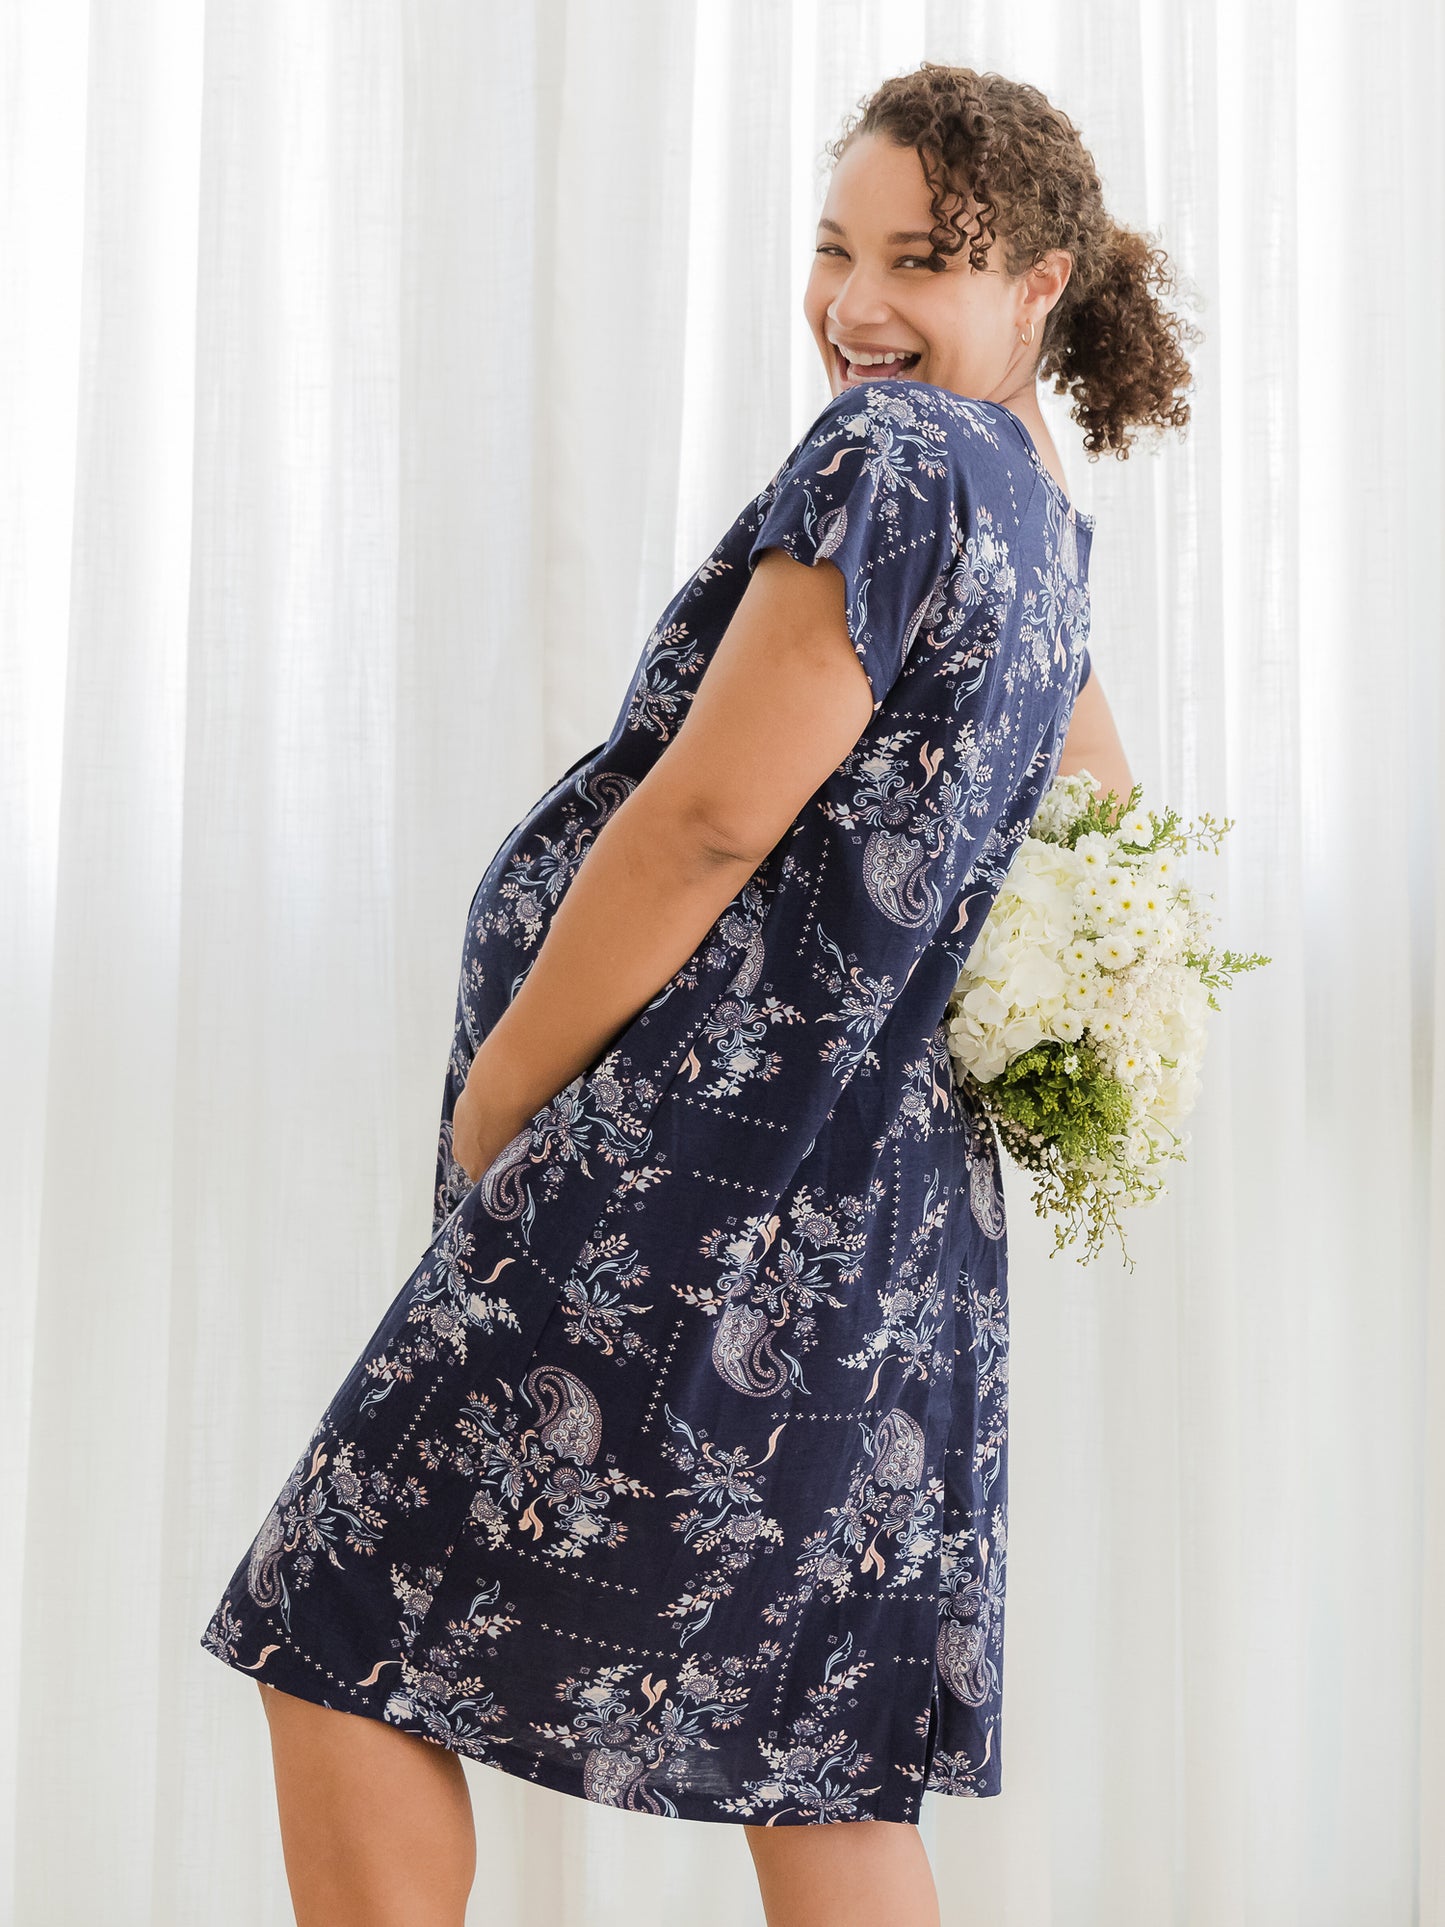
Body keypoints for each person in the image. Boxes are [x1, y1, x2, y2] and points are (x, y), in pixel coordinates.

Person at [201, 60, 1187, 1927]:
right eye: (832, 251)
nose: (856, 307)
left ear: (1042, 283)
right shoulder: (1041, 520)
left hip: (693, 1181)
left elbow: (714, 815)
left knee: (336, 1616)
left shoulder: (890, 458)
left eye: (923, 259)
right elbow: (1113, 837)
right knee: (816, 1756)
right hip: (882, 1225)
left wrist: (510, 1088)